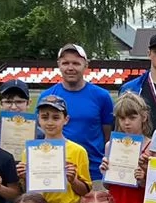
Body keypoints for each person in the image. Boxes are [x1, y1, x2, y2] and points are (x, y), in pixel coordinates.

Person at [16, 96, 92, 203]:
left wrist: (73, 180)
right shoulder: (30, 151)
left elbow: (85, 191)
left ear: (66, 119)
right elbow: (28, 193)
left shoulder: (77, 151)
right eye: (45, 117)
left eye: (56, 117)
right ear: (38, 119)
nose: (50, 122)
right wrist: (25, 177)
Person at [37, 43, 114, 181]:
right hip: (57, 171)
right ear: (59, 65)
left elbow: (107, 134)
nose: (70, 68)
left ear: (86, 65)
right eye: (65, 63)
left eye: (76, 63)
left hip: (94, 171)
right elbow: (41, 133)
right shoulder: (47, 96)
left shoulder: (102, 96)